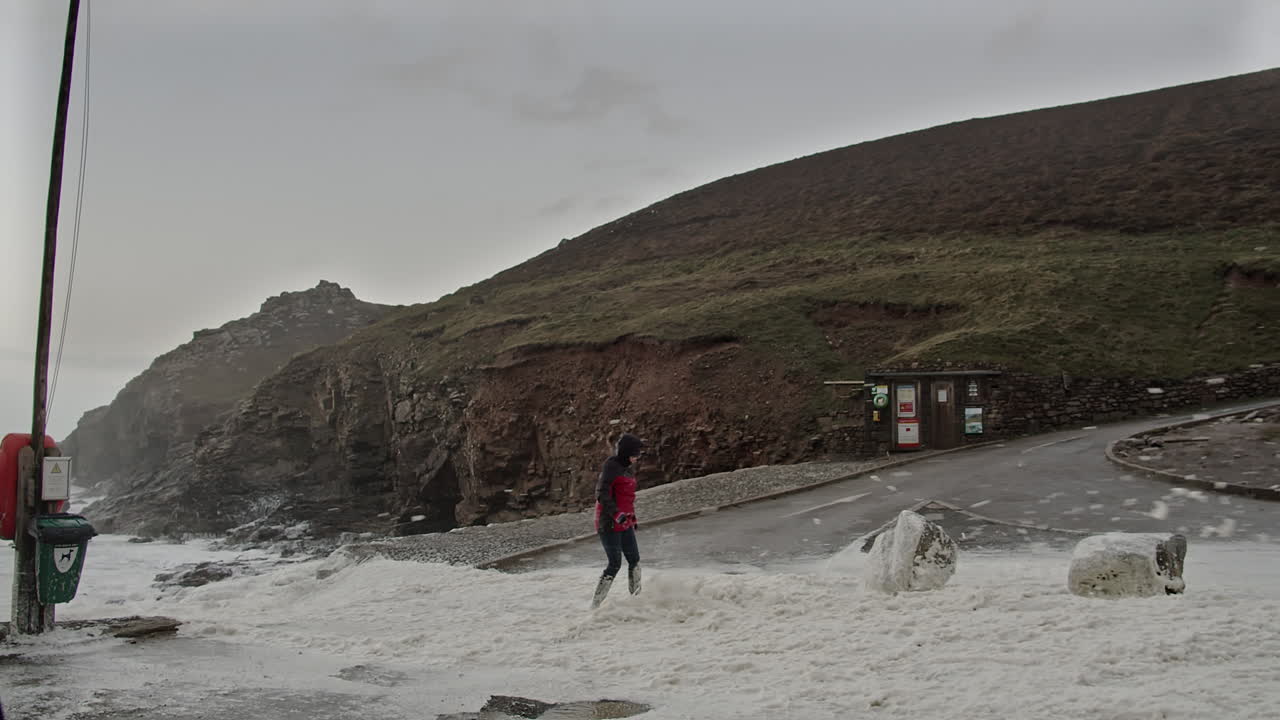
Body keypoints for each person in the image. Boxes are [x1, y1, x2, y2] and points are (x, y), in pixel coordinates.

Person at [591, 432, 645, 608]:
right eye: (636, 454)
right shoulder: (611, 467)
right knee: (614, 564)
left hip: (625, 521)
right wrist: (617, 515)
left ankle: (636, 599)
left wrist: (632, 516)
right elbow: (602, 495)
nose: (638, 457)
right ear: (627, 453)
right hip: (609, 523)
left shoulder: (627, 468)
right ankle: (596, 606)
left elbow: (626, 496)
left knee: (635, 560)